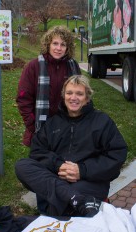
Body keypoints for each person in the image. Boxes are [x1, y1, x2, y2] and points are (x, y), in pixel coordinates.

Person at [15, 75, 127, 217]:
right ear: (63, 96)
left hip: (89, 181)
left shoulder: (102, 122)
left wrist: (82, 170)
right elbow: (37, 152)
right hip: (56, 177)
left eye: (79, 94)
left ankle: (59, 211)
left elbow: (117, 155)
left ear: (87, 98)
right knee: (22, 165)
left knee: (59, 201)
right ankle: (74, 200)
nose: (73, 98)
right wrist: (58, 165)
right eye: (69, 93)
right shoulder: (52, 123)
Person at [16, 25, 81, 147]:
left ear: (68, 48)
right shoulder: (34, 66)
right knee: (41, 164)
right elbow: (23, 99)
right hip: (40, 129)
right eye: (55, 43)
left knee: (64, 164)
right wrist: (32, 125)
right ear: (48, 44)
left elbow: (82, 96)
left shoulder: (73, 66)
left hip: (67, 128)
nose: (58, 48)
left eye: (63, 44)